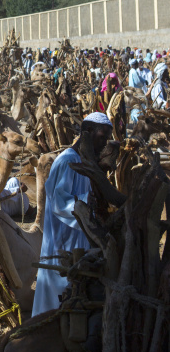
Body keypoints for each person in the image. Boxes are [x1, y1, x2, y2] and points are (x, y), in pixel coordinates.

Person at [32, 112, 120, 317]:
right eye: (101, 137)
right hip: (63, 240)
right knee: (58, 298)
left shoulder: (85, 161)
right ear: (87, 133)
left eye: (108, 138)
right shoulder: (67, 162)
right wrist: (90, 202)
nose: (104, 143)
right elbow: (60, 204)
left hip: (79, 239)